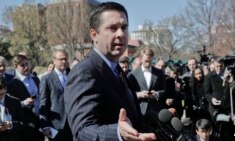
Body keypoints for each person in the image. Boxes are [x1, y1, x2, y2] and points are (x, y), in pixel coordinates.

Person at [64, 2, 156, 141]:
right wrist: (118, 133)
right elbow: (82, 131)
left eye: (124, 27)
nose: (120, 34)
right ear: (94, 34)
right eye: (113, 28)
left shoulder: (118, 70)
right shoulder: (84, 71)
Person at [6, 54, 44, 141]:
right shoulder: (12, 84)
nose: (26, 67)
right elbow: (11, 107)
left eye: (27, 64)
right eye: (22, 65)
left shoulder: (35, 79)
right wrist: (24, 103)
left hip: (40, 122)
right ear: (15, 66)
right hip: (26, 125)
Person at [128, 48, 173, 116]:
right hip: (139, 109)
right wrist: (139, 94)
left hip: (155, 109)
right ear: (141, 58)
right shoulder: (133, 74)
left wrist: (157, 94)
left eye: (150, 60)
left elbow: (164, 89)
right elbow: (128, 92)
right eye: (146, 61)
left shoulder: (159, 73)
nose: (148, 63)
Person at [39, 49, 72, 141]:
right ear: (54, 61)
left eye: (65, 59)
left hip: (73, 123)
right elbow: (43, 103)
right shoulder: (46, 79)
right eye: (61, 59)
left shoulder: (73, 75)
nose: (64, 61)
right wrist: (45, 125)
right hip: (56, 125)